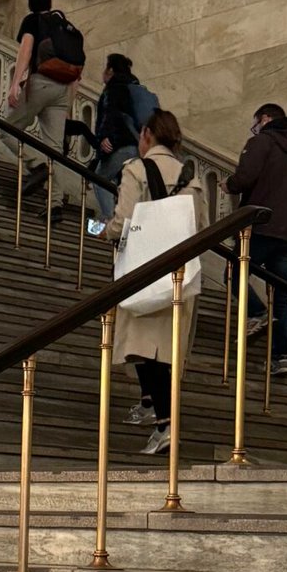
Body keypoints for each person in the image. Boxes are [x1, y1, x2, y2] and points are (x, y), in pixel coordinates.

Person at [107, 110, 205, 454]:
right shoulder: (190, 175)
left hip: (145, 269)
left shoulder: (136, 169)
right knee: (164, 350)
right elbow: (201, 225)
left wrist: (107, 231)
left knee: (144, 348)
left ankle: (165, 426)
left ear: (147, 133)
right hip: (178, 274)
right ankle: (152, 407)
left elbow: (124, 218)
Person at [226, 102, 287, 378]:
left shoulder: (261, 142)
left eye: (256, 122)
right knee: (282, 294)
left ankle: (258, 313)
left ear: (265, 119)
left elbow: (245, 176)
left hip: (262, 225)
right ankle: (281, 358)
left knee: (233, 272)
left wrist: (229, 184)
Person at [8, 0, 83, 197]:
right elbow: (77, 68)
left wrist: (15, 83)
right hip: (62, 89)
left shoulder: (32, 21)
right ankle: (56, 203)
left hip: (40, 82)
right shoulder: (62, 24)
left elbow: (27, 50)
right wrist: (68, 104)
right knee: (55, 148)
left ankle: (38, 165)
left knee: (8, 130)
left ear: (31, 2)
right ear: (49, 1)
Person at [86, 54, 158, 225]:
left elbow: (111, 115)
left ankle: (108, 221)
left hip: (121, 144)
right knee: (123, 186)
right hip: (137, 145)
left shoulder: (114, 88)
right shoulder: (135, 88)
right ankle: (125, 226)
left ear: (110, 70)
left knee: (100, 179)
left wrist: (104, 137)